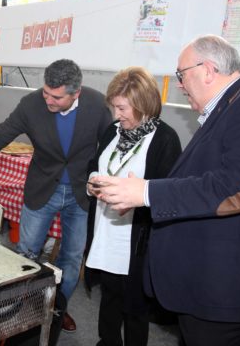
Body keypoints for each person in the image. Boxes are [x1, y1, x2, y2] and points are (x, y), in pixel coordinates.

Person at [93, 34, 240, 346]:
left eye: (181, 75)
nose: (179, 84)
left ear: (207, 69)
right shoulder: (224, 113)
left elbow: (239, 187)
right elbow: (200, 187)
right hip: (213, 290)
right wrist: (141, 199)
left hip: (232, 292)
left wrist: (147, 193)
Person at [0, 59, 112, 332]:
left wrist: (105, 180)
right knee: (26, 252)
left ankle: (58, 308)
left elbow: (112, 144)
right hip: (42, 189)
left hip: (82, 194)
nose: (48, 100)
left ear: (75, 93)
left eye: (56, 97)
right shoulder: (31, 104)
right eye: (45, 92)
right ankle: (19, 310)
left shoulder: (98, 105)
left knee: (71, 257)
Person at [85, 66, 181, 346]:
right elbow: (96, 164)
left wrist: (136, 203)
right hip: (107, 231)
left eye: (123, 108)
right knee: (110, 297)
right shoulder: (112, 131)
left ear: (143, 103)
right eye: (114, 107)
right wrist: (92, 181)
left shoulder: (165, 140)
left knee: (135, 307)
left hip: (137, 239)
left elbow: (169, 195)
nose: (117, 115)